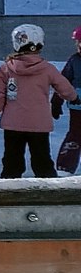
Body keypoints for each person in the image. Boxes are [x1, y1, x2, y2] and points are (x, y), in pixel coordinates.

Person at [0, 23, 79, 179]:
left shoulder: (6, 68)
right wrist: (74, 97)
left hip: (13, 124)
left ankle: (9, 189)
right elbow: (64, 86)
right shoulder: (47, 69)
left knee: (12, 161)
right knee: (42, 161)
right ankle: (50, 192)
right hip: (39, 123)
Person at [59, 27, 81, 175]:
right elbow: (62, 82)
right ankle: (65, 166)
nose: (79, 45)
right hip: (77, 106)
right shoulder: (74, 60)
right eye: (78, 42)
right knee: (75, 134)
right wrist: (56, 100)